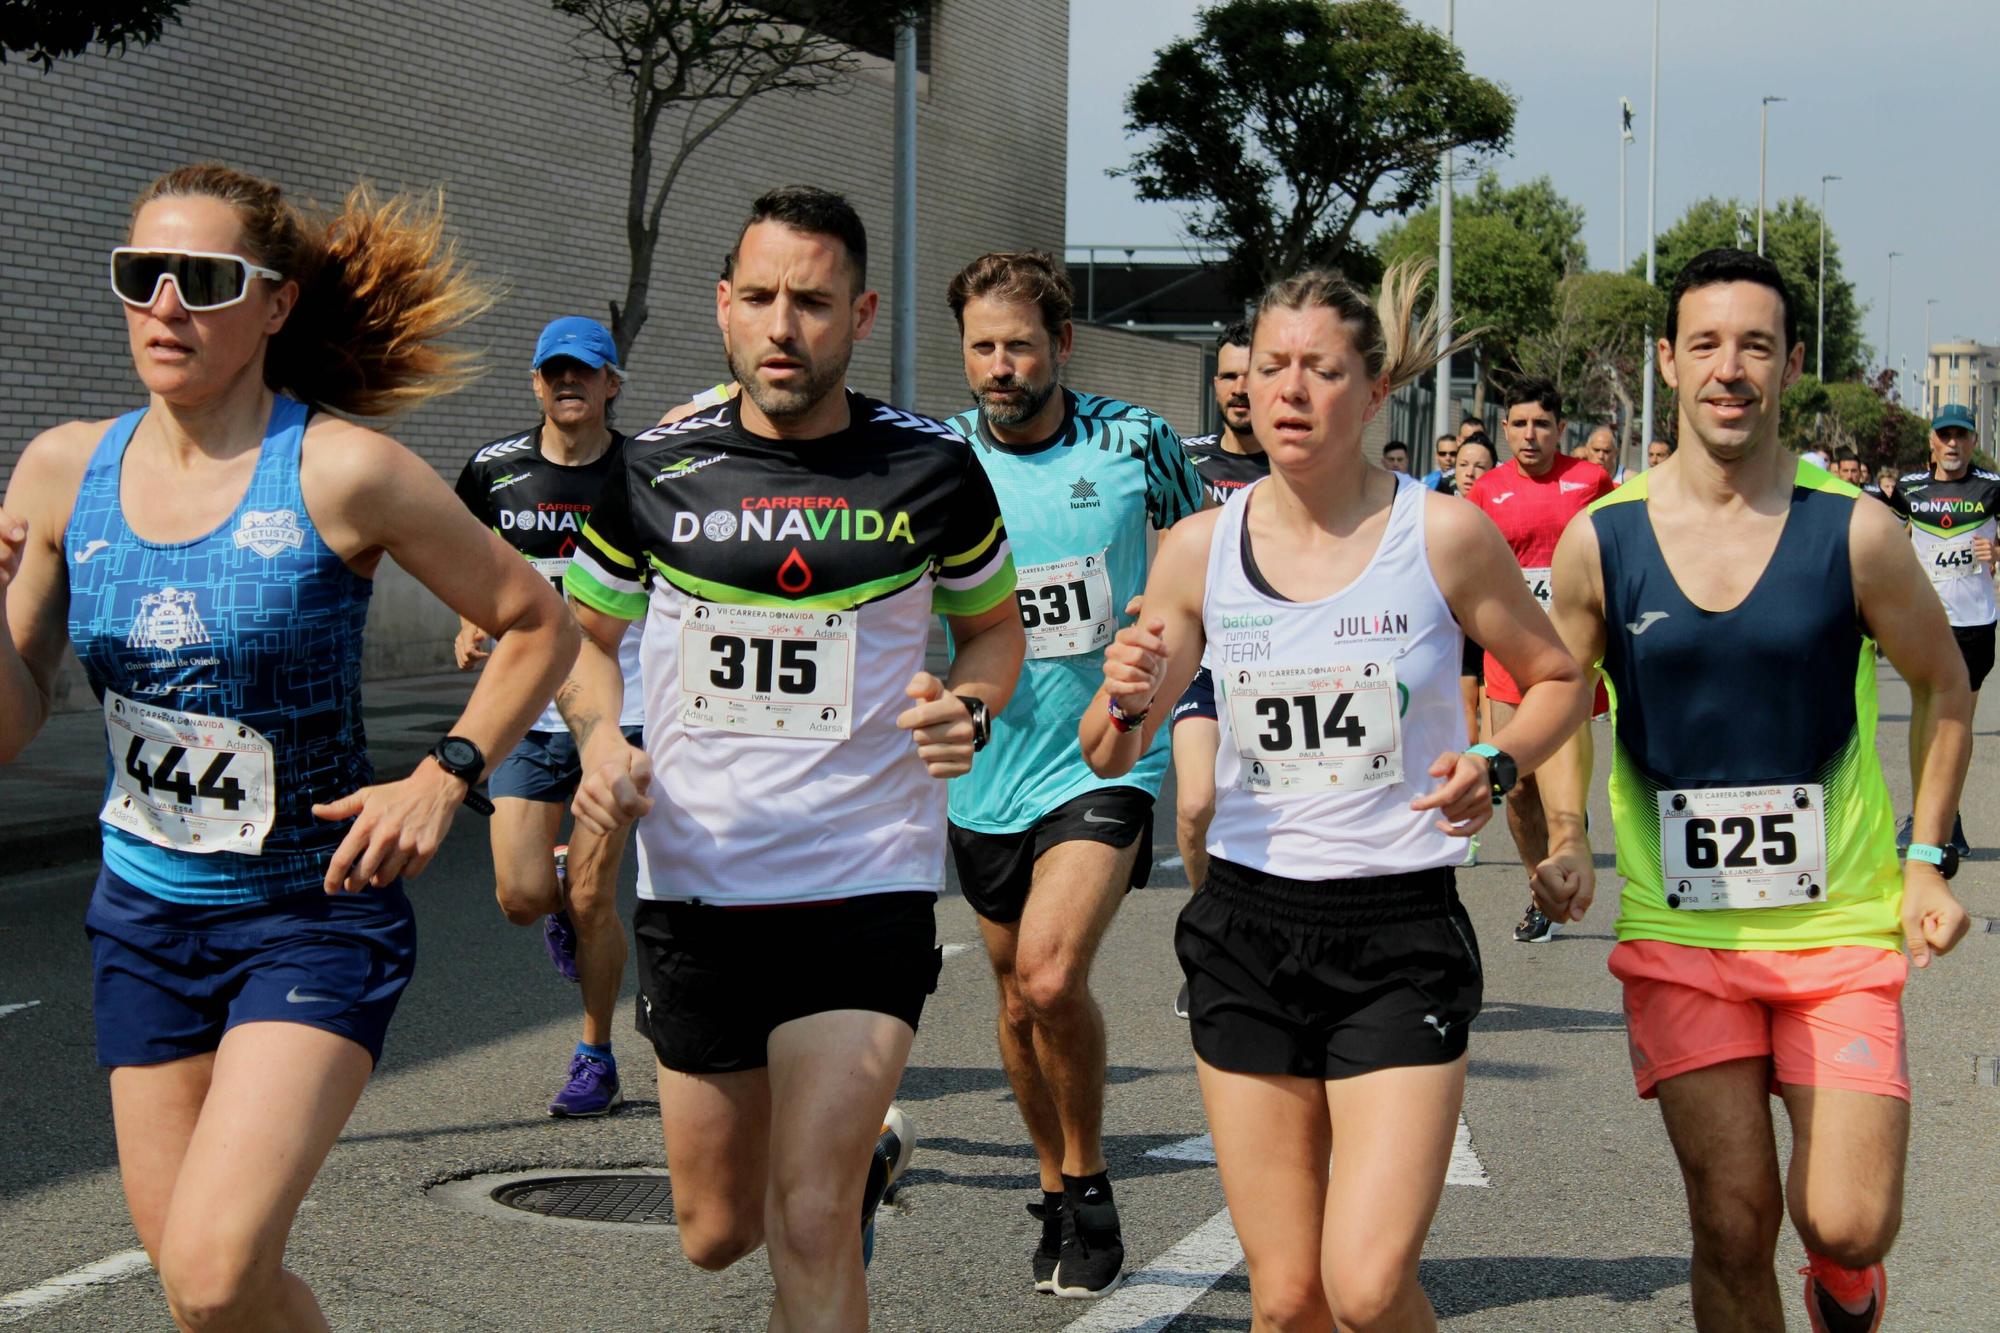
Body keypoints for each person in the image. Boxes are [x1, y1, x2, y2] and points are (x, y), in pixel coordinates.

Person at [0, 163, 575, 1330]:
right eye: (139, 277)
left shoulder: (340, 470)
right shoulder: (65, 471)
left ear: (272, 305)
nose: (165, 305)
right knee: (206, 1291)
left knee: (212, 1273)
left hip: (311, 914)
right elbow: (14, 724)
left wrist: (444, 772)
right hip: (144, 919)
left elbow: (536, 622)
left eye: (202, 280)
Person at [1081, 260, 1589, 1333]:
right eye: (1271, 366)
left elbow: (1559, 680)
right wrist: (1124, 698)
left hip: (1394, 929)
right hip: (1245, 929)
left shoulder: (1438, 534)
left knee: (1362, 1287)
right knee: (1286, 1299)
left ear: (1371, 392)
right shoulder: (1198, 549)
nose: (1289, 391)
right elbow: (1100, 746)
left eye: (1320, 370)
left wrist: (1495, 767)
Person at [559, 186, 1024, 1328]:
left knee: (809, 1222)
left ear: (858, 314)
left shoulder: (930, 468)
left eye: (811, 302)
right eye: (759, 298)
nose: (782, 327)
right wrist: (598, 736)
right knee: (717, 1233)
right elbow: (581, 643)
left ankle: (839, 1183)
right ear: (722, 305)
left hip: (864, 877)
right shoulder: (652, 465)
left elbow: (995, 630)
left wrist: (968, 705)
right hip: (698, 885)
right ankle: (865, 1167)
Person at [1535, 247, 1971, 1333]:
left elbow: (1943, 682)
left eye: (1754, 347)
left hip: (1837, 935)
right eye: (1705, 345)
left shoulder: (1855, 530)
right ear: (1667, 364)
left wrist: (1924, 857)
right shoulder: (1605, 539)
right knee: (1730, 1224)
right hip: (1685, 938)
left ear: (1786, 366)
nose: (1728, 369)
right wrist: (1558, 829)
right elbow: (1554, 690)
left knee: (1847, 1220)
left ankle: (1844, 1288)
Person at [942, 249, 1204, 1297]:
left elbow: (1199, 550)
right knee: (1013, 1001)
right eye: (980, 349)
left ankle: (1089, 1181)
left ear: (1060, 344)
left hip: (1105, 753)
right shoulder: (938, 456)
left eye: (1017, 345)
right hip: (986, 762)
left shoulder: (1136, 440)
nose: (999, 367)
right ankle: (1051, 1185)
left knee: (1052, 974)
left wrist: (1180, 670)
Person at [452, 316, 646, 1117]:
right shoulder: (495, 472)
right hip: (526, 709)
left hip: (616, 711)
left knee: (598, 900)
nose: (568, 384)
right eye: (553, 372)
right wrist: (468, 614)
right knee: (521, 895)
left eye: (584, 372)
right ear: (537, 383)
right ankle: (558, 883)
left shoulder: (646, 475)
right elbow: (456, 555)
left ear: (610, 386)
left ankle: (595, 1054)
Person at [1466, 379, 1615, 943]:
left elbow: (1614, 554)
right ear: (1505, 429)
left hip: (1573, 653)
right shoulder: (1487, 491)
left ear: (1560, 430)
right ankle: (1541, 884)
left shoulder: (1589, 480)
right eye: (1520, 424)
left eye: (1542, 424)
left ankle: (1569, 824)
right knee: (1517, 784)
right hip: (1508, 655)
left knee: (1558, 770)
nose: (1531, 435)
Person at [1885, 402, 2000, 856]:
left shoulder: (1992, 488)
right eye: (1945, 435)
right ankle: (1922, 815)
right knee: (1926, 722)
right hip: (1924, 621)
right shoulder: (1910, 489)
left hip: (1974, 625)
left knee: (1958, 725)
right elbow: (1886, 540)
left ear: (1974, 442)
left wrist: (1998, 550)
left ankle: (1947, 815)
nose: (1953, 444)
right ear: (1932, 441)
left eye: (1962, 436)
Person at [1180, 321, 1269, 505]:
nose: (1239, 389)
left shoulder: (1296, 468)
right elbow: (1167, 535)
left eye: (1251, 376)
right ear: (1216, 384)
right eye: (1228, 376)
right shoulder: (1183, 458)